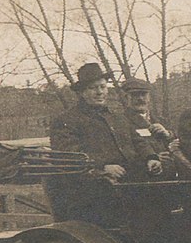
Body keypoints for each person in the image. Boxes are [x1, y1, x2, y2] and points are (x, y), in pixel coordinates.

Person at [49, 63, 161, 223]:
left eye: (103, 87)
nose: (100, 92)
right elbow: (69, 154)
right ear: (81, 92)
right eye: (93, 88)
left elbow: (138, 141)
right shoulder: (67, 120)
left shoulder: (117, 117)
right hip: (93, 186)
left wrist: (151, 157)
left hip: (130, 178)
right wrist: (103, 166)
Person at [121, 77, 176, 178]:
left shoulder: (161, 120)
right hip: (144, 177)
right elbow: (125, 151)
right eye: (135, 95)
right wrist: (153, 158)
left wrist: (168, 134)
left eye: (143, 94)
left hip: (171, 175)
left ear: (149, 97)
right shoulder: (122, 122)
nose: (140, 99)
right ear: (126, 98)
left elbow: (178, 142)